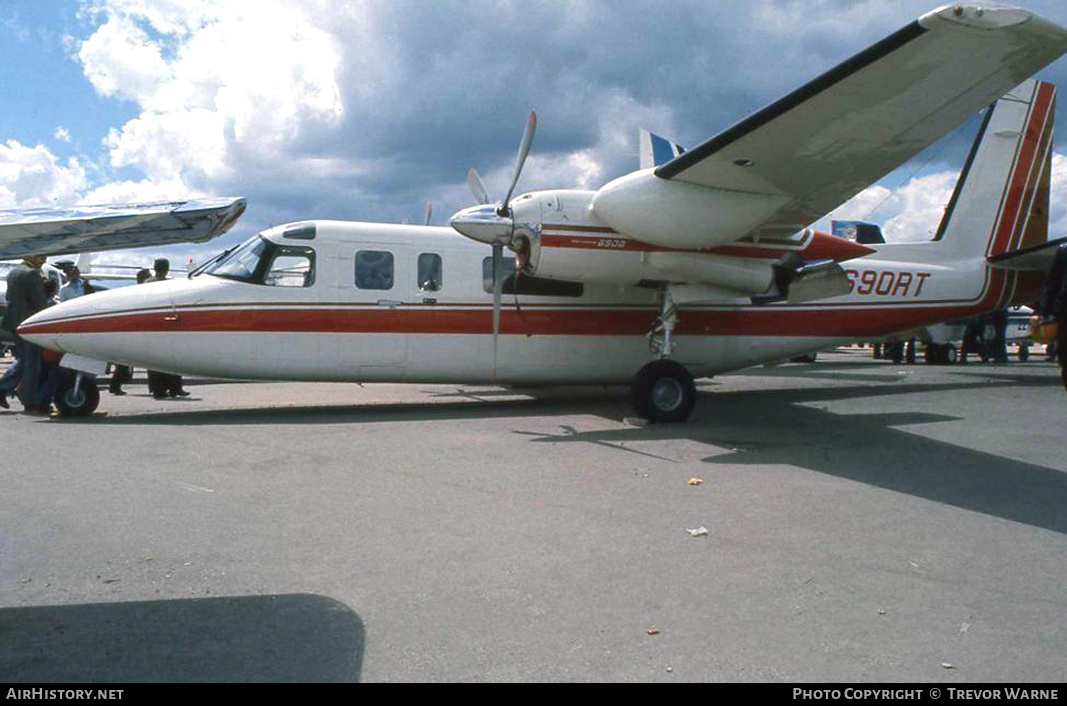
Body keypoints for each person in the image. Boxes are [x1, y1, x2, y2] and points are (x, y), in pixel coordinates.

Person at [0, 255, 51, 413]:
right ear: (31, 257)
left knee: (25, 359)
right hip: (30, 323)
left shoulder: (14, 272)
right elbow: (40, 302)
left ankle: (4, 388)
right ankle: (29, 400)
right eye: (41, 257)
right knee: (32, 363)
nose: (43, 260)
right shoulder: (32, 274)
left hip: (15, 322)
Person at [146, 258, 189, 399]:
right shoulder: (166, 284)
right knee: (169, 358)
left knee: (160, 359)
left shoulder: (148, 283)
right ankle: (171, 388)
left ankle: (165, 389)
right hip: (161, 324)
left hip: (156, 325)